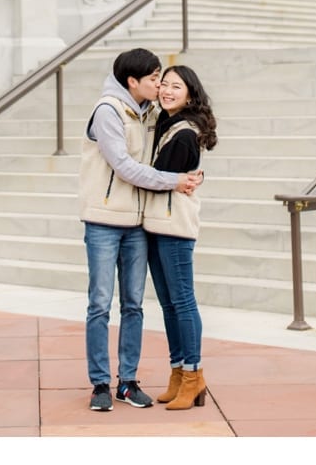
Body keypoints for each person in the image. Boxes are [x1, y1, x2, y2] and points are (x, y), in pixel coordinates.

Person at [80, 47, 202, 412]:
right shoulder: (108, 111)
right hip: (103, 220)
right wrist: (175, 180)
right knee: (100, 305)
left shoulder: (150, 112)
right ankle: (100, 383)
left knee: (133, 305)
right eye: (153, 79)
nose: (159, 84)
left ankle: (128, 382)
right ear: (132, 81)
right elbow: (125, 167)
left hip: (137, 223)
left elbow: (182, 138)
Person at [144, 64, 218, 410]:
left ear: (190, 93)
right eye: (164, 85)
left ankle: (193, 375)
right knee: (169, 304)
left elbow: (158, 178)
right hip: (158, 226)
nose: (167, 91)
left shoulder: (184, 133)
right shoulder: (164, 124)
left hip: (173, 227)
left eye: (176, 86)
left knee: (183, 302)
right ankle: (178, 373)